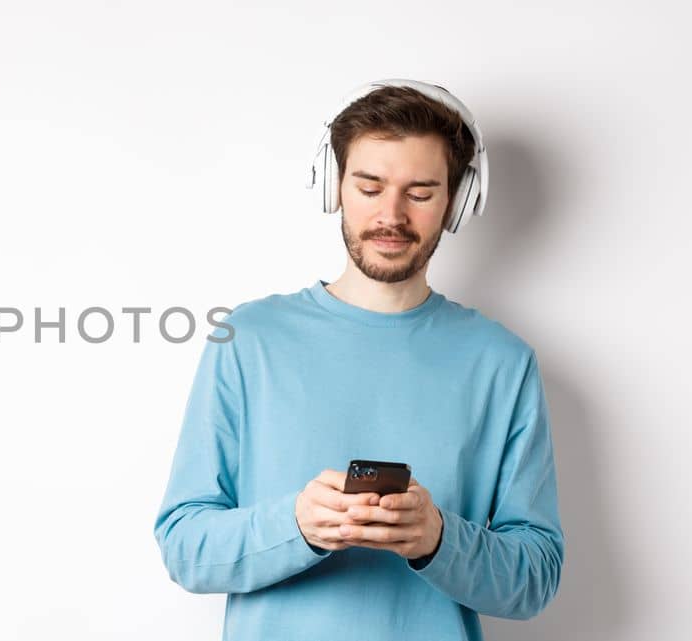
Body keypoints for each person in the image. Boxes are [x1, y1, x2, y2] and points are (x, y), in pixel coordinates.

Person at [152, 80, 564, 641]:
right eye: (369, 187)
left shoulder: (503, 363)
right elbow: (183, 547)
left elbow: (536, 577)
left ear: (457, 201)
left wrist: (438, 539)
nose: (390, 215)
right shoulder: (247, 339)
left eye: (419, 193)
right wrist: (296, 525)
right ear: (335, 187)